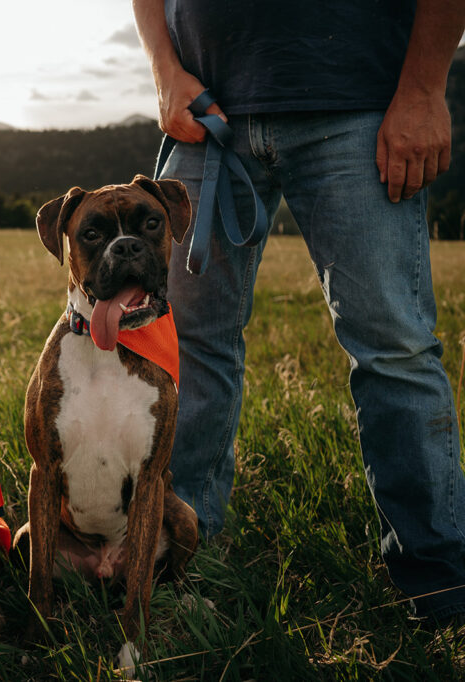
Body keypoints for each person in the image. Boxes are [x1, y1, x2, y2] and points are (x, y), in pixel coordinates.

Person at [133, 0, 465, 625]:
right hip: (207, 116)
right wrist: (164, 69)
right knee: (186, 346)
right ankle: (184, 556)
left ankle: (439, 587)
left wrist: (423, 87)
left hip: (359, 105)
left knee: (393, 347)